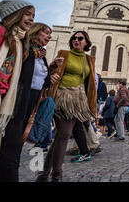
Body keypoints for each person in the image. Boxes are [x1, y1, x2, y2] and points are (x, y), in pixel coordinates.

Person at [0, 22, 62, 182]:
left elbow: (40, 81)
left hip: (31, 103)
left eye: (50, 33)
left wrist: (51, 73)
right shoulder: (25, 51)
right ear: (34, 33)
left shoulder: (40, 55)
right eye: (46, 33)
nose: (49, 36)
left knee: (16, 145)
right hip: (17, 102)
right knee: (11, 146)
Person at [0, 0, 35, 182]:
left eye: (33, 16)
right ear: (15, 14)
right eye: (27, 14)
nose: (31, 19)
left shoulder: (18, 41)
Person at [35, 31, 97, 182]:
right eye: (74, 38)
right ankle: (57, 175)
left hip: (78, 100)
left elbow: (90, 83)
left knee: (59, 137)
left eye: (80, 38)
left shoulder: (89, 59)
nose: (76, 40)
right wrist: (53, 68)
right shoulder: (64, 54)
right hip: (62, 97)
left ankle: (43, 175)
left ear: (86, 42)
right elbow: (51, 72)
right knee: (64, 135)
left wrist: (91, 104)